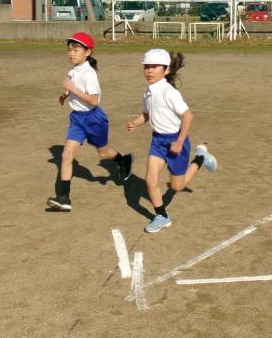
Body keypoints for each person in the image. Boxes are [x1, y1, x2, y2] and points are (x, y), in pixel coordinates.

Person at [126, 48, 217, 234]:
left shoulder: (170, 93)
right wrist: (136, 122)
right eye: (146, 67)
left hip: (176, 141)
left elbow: (188, 117)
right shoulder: (148, 92)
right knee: (150, 179)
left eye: (154, 67)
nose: (149, 70)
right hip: (158, 142)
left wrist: (179, 142)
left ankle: (201, 158)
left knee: (177, 186)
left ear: (166, 70)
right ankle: (162, 216)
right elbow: (146, 114)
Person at [47, 32, 134, 212]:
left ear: (87, 52)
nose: (71, 53)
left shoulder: (89, 73)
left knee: (103, 153)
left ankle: (123, 160)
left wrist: (71, 89)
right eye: (69, 50)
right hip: (77, 119)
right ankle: (64, 198)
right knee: (66, 155)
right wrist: (65, 95)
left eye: (76, 49)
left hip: (94, 118)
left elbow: (94, 101)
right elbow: (72, 87)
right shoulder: (73, 71)